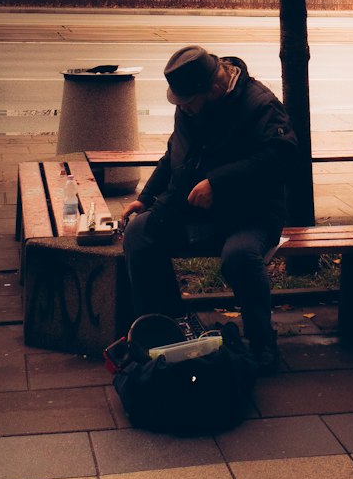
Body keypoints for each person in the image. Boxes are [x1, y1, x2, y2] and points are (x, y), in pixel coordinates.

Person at [121, 45, 297, 372]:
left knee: (240, 256)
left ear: (214, 90)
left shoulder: (260, 105)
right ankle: (167, 330)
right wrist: (146, 197)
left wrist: (218, 183)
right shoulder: (190, 103)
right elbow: (175, 152)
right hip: (193, 213)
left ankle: (263, 345)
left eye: (187, 103)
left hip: (252, 214)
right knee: (139, 233)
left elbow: (283, 158)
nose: (183, 109)